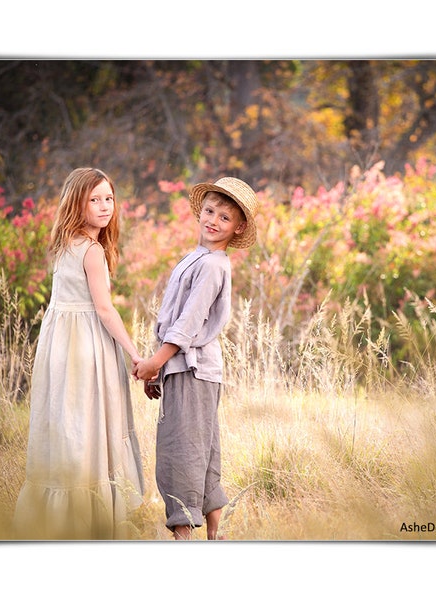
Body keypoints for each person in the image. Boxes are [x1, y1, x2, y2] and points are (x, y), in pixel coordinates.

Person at [14, 167, 144, 540]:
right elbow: (104, 310)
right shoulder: (91, 251)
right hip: (86, 347)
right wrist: (134, 354)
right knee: (88, 425)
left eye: (109, 198)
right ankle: (89, 518)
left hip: (59, 348)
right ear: (77, 203)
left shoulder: (63, 245)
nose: (105, 206)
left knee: (68, 427)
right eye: (95, 199)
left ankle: (60, 515)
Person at [134, 176, 259, 540]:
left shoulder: (212, 265)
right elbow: (175, 316)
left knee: (181, 449)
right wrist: (160, 369)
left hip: (192, 368)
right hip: (189, 368)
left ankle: (184, 533)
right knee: (201, 445)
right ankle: (215, 533)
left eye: (225, 217)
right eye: (209, 211)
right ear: (200, 212)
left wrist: (156, 360)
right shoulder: (197, 258)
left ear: (238, 228)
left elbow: (188, 323)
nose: (213, 221)